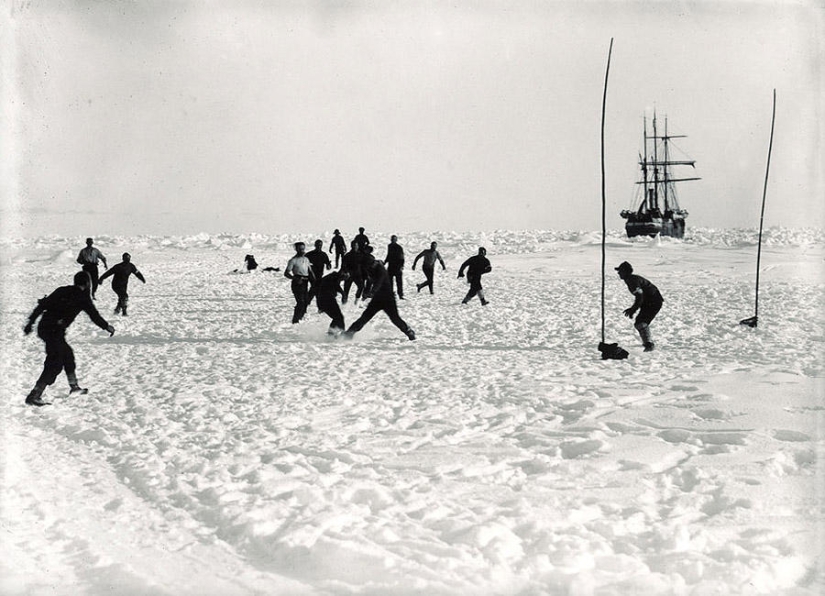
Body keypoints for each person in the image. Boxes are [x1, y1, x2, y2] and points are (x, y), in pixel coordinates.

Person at [22, 271, 115, 406]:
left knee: (67, 355)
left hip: (45, 327)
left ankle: (74, 387)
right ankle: (35, 394)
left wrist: (30, 323)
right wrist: (107, 327)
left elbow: (42, 305)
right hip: (54, 330)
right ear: (87, 283)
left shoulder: (62, 290)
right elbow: (94, 315)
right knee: (55, 362)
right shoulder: (83, 297)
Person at [343, 260, 415, 341]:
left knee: (395, 318)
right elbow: (370, 282)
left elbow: (379, 282)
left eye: (368, 266)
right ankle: (350, 332)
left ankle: (409, 331)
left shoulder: (381, 270)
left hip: (388, 299)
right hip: (377, 299)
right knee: (365, 317)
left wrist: (372, 292)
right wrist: (367, 292)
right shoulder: (371, 269)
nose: (367, 268)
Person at [616, 261, 663, 352]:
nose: (618, 273)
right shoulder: (630, 279)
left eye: (620, 271)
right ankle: (648, 343)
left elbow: (639, 296)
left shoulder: (633, 280)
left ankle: (649, 345)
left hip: (654, 301)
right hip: (648, 301)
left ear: (625, 272)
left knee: (641, 323)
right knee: (640, 323)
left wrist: (633, 309)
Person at [284, 242, 316, 324]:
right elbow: (286, 273)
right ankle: (295, 320)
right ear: (296, 249)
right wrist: (295, 278)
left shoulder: (306, 259)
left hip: (305, 281)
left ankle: (300, 317)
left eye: (303, 248)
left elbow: (310, 271)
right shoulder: (293, 260)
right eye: (300, 249)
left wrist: (315, 281)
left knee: (305, 301)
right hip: (297, 282)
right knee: (300, 302)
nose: (302, 250)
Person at [316, 270, 349, 335]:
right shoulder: (332, 278)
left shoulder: (332, 277)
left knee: (337, 317)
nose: (343, 280)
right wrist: (343, 294)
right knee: (339, 317)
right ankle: (342, 332)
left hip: (325, 299)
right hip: (327, 299)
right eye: (344, 279)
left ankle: (332, 332)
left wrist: (319, 305)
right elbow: (336, 286)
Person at [306, 239, 331, 304]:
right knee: (315, 287)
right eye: (318, 245)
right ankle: (308, 303)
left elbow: (328, 264)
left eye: (320, 245)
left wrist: (328, 266)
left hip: (319, 274)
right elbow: (303, 262)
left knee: (316, 289)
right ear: (315, 245)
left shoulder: (323, 254)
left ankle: (308, 303)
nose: (319, 246)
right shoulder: (309, 254)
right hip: (311, 274)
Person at [384, 234, 405, 299]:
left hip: (397, 267)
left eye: (394, 239)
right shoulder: (389, 246)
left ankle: (400, 294)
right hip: (391, 266)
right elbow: (388, 255)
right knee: (390, 281)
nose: (393, 240)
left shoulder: (399, 247)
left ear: (396, 240)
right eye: (392, 239)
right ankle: (391, 294)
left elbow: (402, 257)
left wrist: (401, 266)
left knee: (399, 282)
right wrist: (385, 262)